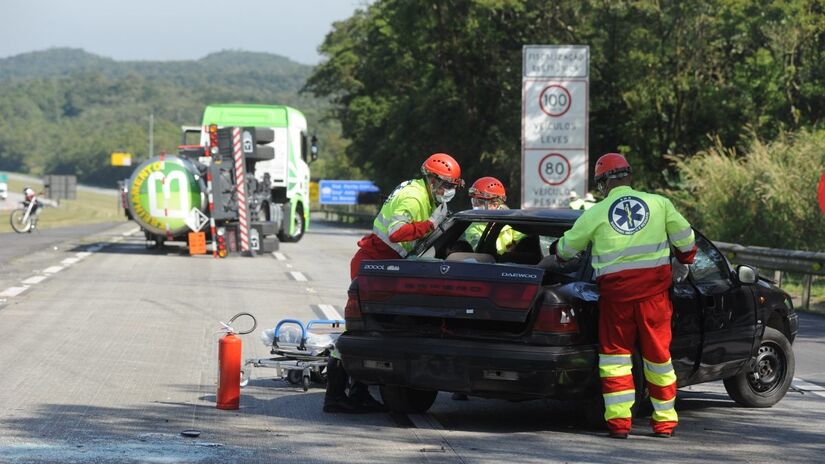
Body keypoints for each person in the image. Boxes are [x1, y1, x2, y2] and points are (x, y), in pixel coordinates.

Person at [546, 153, 696, 439]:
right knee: (659, 359)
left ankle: (619, 424)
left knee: (615, 360)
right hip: (655, 298)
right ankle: (664, 423)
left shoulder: (595, 213)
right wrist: (683, 257)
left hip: (616, 300)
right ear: (630, 175)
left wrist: (556, 253)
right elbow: (687, 243)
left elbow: (565, 251)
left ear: (603, 183)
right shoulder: (659, 203)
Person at [324, 152, 464, 413]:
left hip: (385, 266)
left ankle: (358, 392)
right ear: (431, 180)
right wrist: (429, 224)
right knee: (361, 329)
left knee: (375, 330)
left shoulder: (426, 195)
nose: (448, 190)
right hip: (374, 264)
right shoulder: (413, 197)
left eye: (452, 186)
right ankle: (336, 395)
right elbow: (396, 232)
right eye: (445, 184)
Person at [462, 176, 524, 254]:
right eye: (474, 201)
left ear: (495, 205)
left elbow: (525, 244)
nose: (475, 205)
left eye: (480, 202)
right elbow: (480, 251)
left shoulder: (513, 223)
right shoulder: (472, 227)